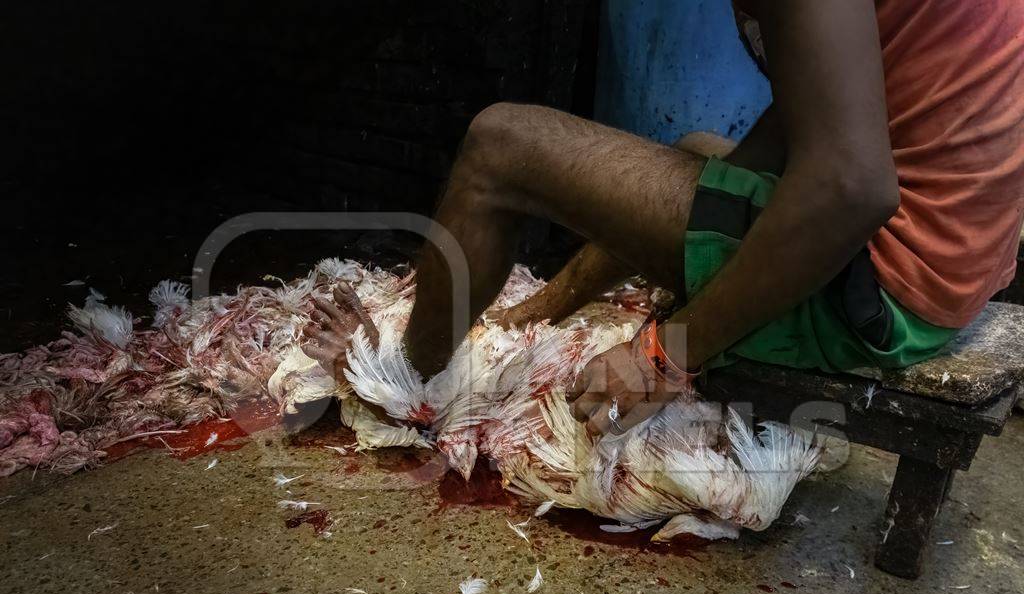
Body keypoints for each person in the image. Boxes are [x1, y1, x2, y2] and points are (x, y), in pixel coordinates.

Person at [304, 0, 1024, 438]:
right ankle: (536, 310)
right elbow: (815, 117)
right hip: (959, 262)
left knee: (500, 145)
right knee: (690, 154)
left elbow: (853, 186)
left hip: (882, 287)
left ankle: (403, 384)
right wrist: (710, 199)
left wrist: (664, 354)